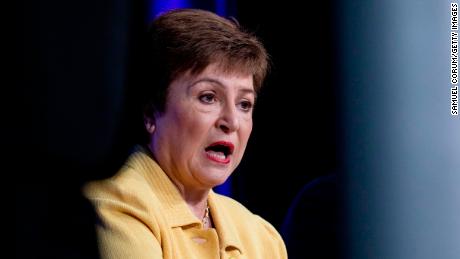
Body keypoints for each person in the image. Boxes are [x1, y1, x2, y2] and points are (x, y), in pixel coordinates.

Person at [83, 8, 287, 259]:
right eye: (208, 97)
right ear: (151, 111)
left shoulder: (261, 237)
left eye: (244, 104)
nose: (232, 121)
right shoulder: (114, 206)